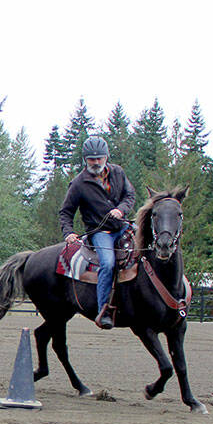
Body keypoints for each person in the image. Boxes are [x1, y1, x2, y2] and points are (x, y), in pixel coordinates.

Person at [59, 135, 136, 329]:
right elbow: (66, 212)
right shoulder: (78, 184)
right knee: (108, 263)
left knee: (149, 251)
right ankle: (104, 310)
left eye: (99, 158)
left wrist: (121, 210)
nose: (96, 162)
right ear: (85, 159)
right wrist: (68, 232)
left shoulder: (118, 172)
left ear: (106, 156)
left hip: (124, 225)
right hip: (101, 232)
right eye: (91, 159)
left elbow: (130, 195)